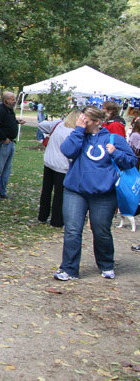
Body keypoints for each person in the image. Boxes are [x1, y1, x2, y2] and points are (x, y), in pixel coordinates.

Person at [54, 106, 136, 281]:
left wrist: (116, 153)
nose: (81, 123)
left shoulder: (113, 138)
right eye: (80, 119)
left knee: (101, 230)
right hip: (75, 191)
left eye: (86, 120)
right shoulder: (77, 136)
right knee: (72, 230)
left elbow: (131, 161)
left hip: (104, 194)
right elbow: (67, 151)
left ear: (98, 122)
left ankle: (106, 265)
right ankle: (69, 269)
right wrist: (78, 130)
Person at [37, 110, 78, 227]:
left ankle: (42, 216)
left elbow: (41, 125)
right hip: (62, 166)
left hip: (49, 162)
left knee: (46, 191)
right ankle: (57, 220)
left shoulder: (58, 125)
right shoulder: (73, 133)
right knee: (59, 194)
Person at [0, 91, 25, 200]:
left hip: (11, 142)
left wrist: (16, 122)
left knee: (7, 169)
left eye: (14, 99)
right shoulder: (0, 110)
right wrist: (4, 138)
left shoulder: (10, 110)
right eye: (12, 99)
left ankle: (2, 191)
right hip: (3, 143)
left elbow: (7, 122)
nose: (14, 101)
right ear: (5, 101)